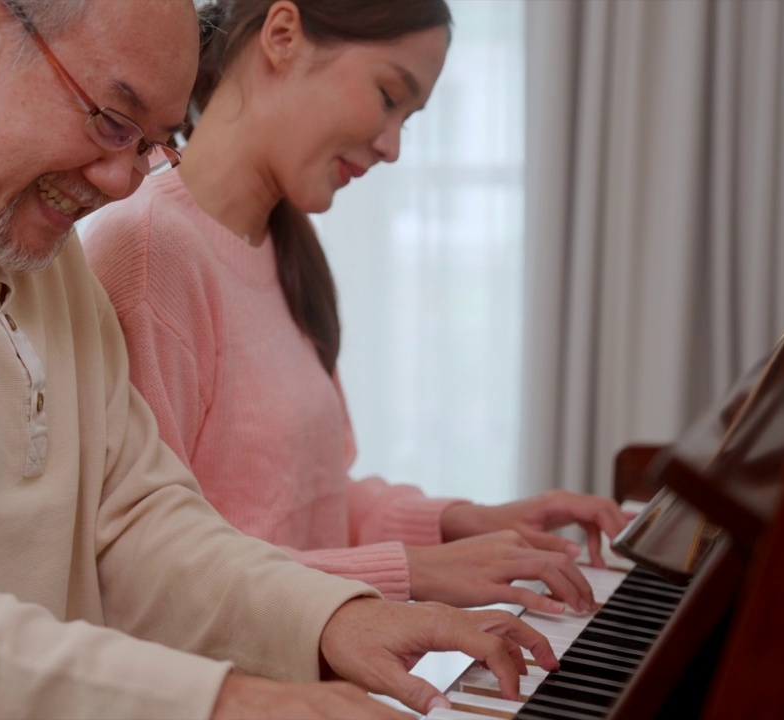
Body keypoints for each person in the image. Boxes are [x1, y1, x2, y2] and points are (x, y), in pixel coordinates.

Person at [0, 1, 561, 718]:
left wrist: (338, 617)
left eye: (153, 143)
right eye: (109, 120)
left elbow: (135, 521)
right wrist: (226, 699)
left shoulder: (46, 264)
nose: (125, 181)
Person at [83, 0, 630, 615]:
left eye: (410, 118)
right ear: (283, 36)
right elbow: (155, 571)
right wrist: (412, 572)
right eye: (389, 95)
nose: (393, 146)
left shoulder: (284, 245)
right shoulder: (149, 249)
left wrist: (464, 521)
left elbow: (304, 501)